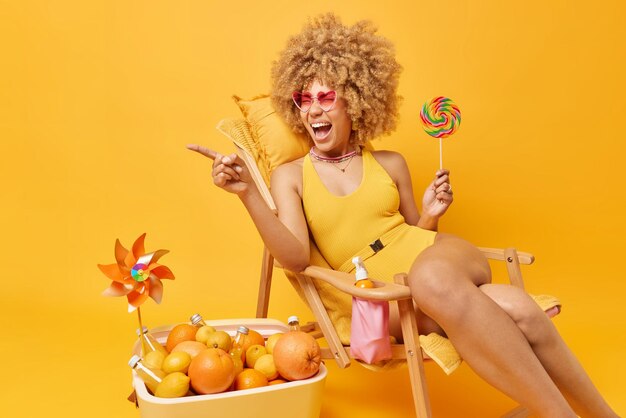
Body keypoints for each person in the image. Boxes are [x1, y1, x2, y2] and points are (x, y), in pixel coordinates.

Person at [188, 13, 618, 418]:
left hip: (438, 259)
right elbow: (296, 259)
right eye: (303, 99)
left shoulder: (391, 163)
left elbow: (417, 234)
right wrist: (247, 194)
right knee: (517, 307)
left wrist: (430, 215)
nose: (313, 109)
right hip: (386, 298)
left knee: (431, 278)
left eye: (326, 96)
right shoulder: (290, 176)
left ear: (355, 101)